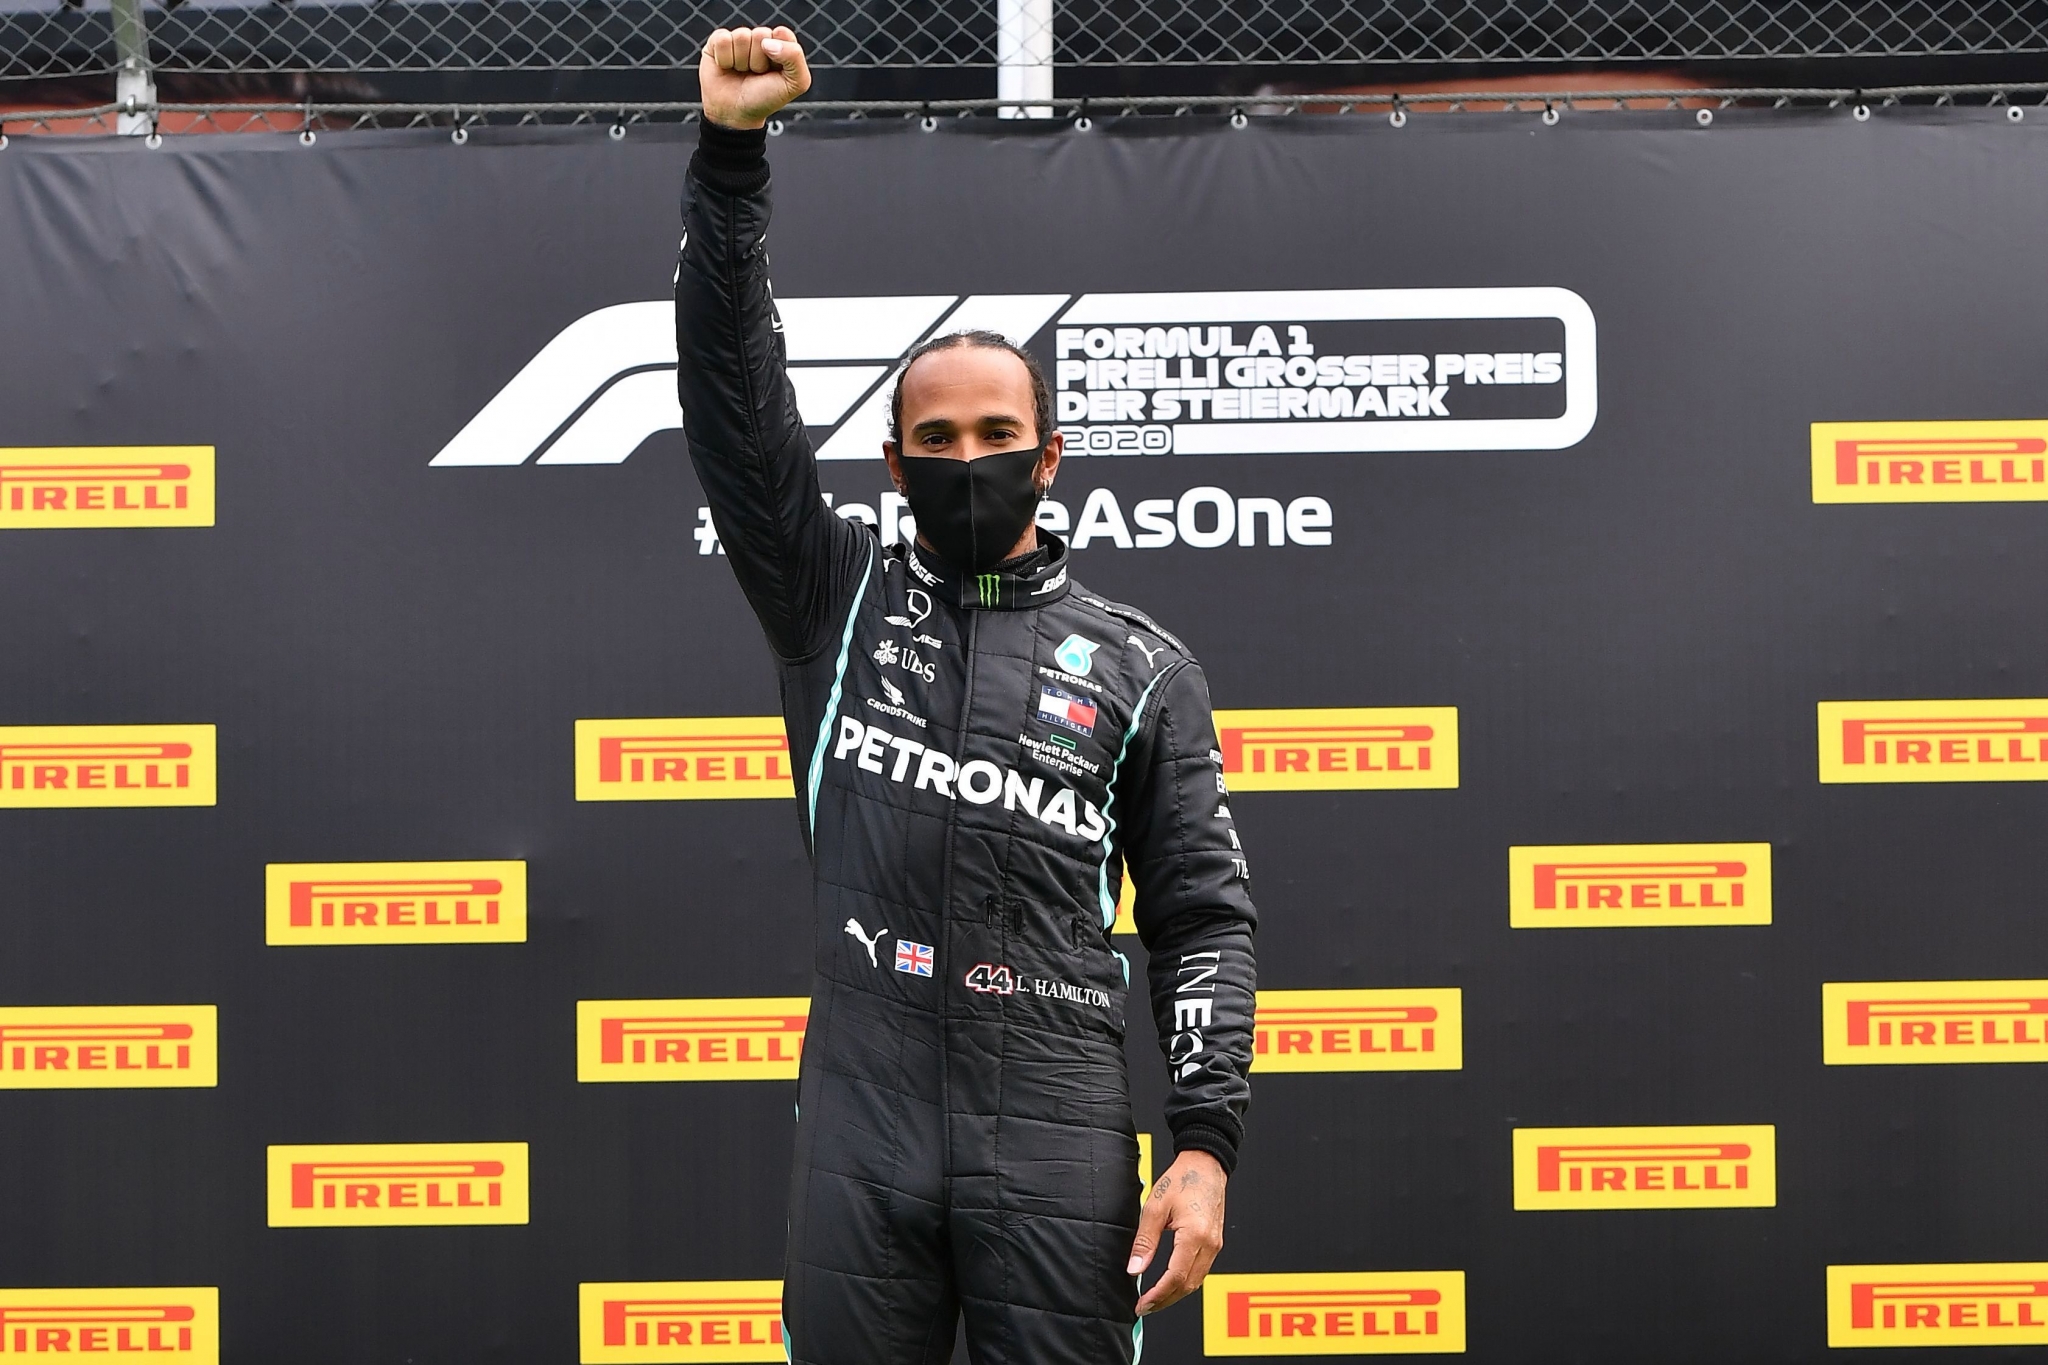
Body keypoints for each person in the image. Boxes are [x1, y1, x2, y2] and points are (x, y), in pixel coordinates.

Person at [677, 25, 1258, 1364]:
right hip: (863, 1130)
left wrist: (1206, 1146)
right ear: (893, 464)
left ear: (1049, 456)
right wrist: (729, 163)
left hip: (1060, 1132)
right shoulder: (834, 600)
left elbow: (1201, 919)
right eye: (935, 438)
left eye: (998, 435)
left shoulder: (1144, 668)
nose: (968, 458)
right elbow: (732, 405)